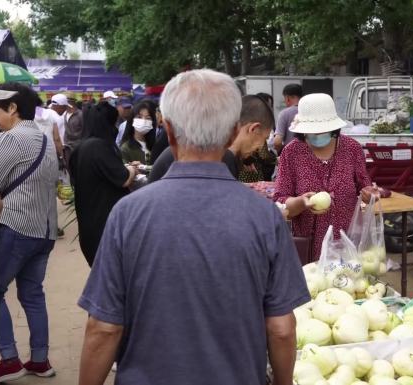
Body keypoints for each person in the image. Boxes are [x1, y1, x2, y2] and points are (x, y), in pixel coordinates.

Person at [78, 69, 309, 385]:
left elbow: (103, 327)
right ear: (231, 134)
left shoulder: (127, 214)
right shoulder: (265, 217)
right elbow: (282, 329)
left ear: (169, 131)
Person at [0, 83, 59, 382]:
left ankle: (9, 360)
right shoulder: (44, 139)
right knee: (32, 294)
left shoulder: (10, 139)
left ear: (13, 108)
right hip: (43, 231)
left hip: (15, 227)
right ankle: (40, 360)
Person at [274, 93, 373, 261]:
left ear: (333, 128)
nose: (317, 135)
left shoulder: (352, 149)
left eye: (323, 130)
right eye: (312, 132)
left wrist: (370, 195)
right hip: (309, 246)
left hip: (346, 242)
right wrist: (301, 202)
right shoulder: (291, 153)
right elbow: (281, 201)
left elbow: (365, 188)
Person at [68, 101, 138, 267]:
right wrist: (133, 169)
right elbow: (123, 178)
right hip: (104, 228)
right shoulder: (98, 147)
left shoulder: (81, 147)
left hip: (89, 226)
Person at [149, 94, 275, 183]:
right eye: (264, 138)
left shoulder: (211, 144)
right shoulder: (220, 155)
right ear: (253, 129)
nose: (260, 147)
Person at [272, 83, 302, 153]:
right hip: (309, 156)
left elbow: (277, 141)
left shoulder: (284, 113)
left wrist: (281, 152)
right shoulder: (309, 112)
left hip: (290, 156)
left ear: (288, 98)